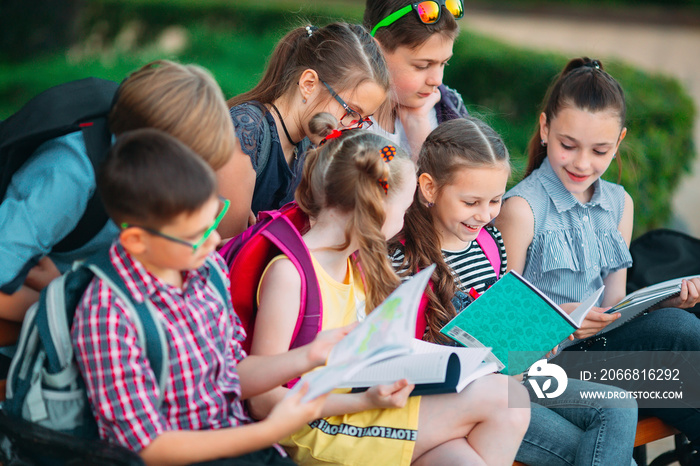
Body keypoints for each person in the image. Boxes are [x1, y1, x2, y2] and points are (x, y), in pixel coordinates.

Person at [246, 114, 530, 466]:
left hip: (360, 406)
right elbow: (260, 400)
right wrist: (361, 403)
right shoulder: (291, 275)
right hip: (316, 425)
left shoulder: (354, 263)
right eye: (406, 206)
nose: (408, 216)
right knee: (507, 400)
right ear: (375, 209)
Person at [71, 128, 356, 466]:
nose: (213, 243)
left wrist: (309, 356)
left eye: (214, 221)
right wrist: (267, 433)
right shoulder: (108, 313)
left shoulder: (207, 270)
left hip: (240, 446)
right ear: (135, 240)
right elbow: (148, 447)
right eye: (196, 235)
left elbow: (232, 373)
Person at [390, 117, 638, 466]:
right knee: (612, 458)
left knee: (620, 406)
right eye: (471, 202)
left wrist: (542, 326)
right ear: (429, 188)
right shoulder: (404, 259)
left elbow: (503, 320)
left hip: (516, 376)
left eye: (494, 201)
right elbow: (404, 355)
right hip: (467, 397)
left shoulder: (489, 243)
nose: (484, 215)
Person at [495, 57, 700, 460]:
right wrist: (563, 320)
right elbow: (503, 339)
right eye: (567, 145)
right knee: (679, 334)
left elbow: (615, 310)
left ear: (619, 142)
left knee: (679, 337)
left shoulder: (619, 204)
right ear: (544, 128)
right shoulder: (520, 209)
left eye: (600, 150)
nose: (582, 163)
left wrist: (662, 301)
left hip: (602, 361)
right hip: (542, 369)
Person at [0, 60, 235, 322]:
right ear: (150, 156)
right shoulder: (69, 174)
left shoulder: (145, 169)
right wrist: (71, 307)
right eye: (188, 175)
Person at [219, 22, 390, 238]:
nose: (351, 127)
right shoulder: (246, 132)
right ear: (309, 83)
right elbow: (227, 255)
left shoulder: (310, 143)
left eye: (362, 120)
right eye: (350, 111)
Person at [363, 0, 467, 159]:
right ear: (376, 51)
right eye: (423, 66)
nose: (437, 81)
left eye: (444, 63)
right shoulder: (343, 123)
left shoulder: (447, 110)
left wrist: (418, 124)